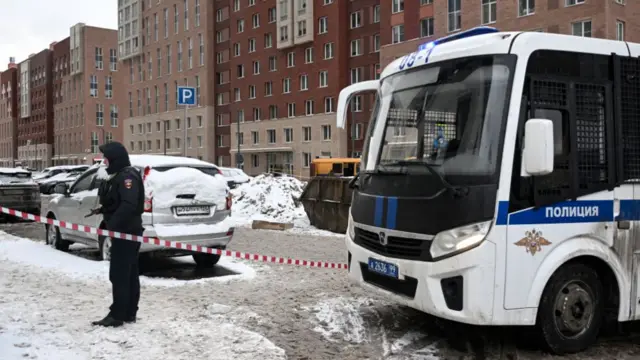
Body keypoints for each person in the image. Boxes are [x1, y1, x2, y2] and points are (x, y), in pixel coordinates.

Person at [89, 141, 145, 327]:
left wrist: (112, 224)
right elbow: (119, 201)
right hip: (126, 231)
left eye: (106, 158)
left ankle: (118, 315)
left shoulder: (127, 177)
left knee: (120, 274)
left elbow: (129, 205)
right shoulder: (120, 176)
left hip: (126, 232)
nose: (104, 162)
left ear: (115, 158)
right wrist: (104, 209)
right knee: (128, 273)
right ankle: (128, 312)